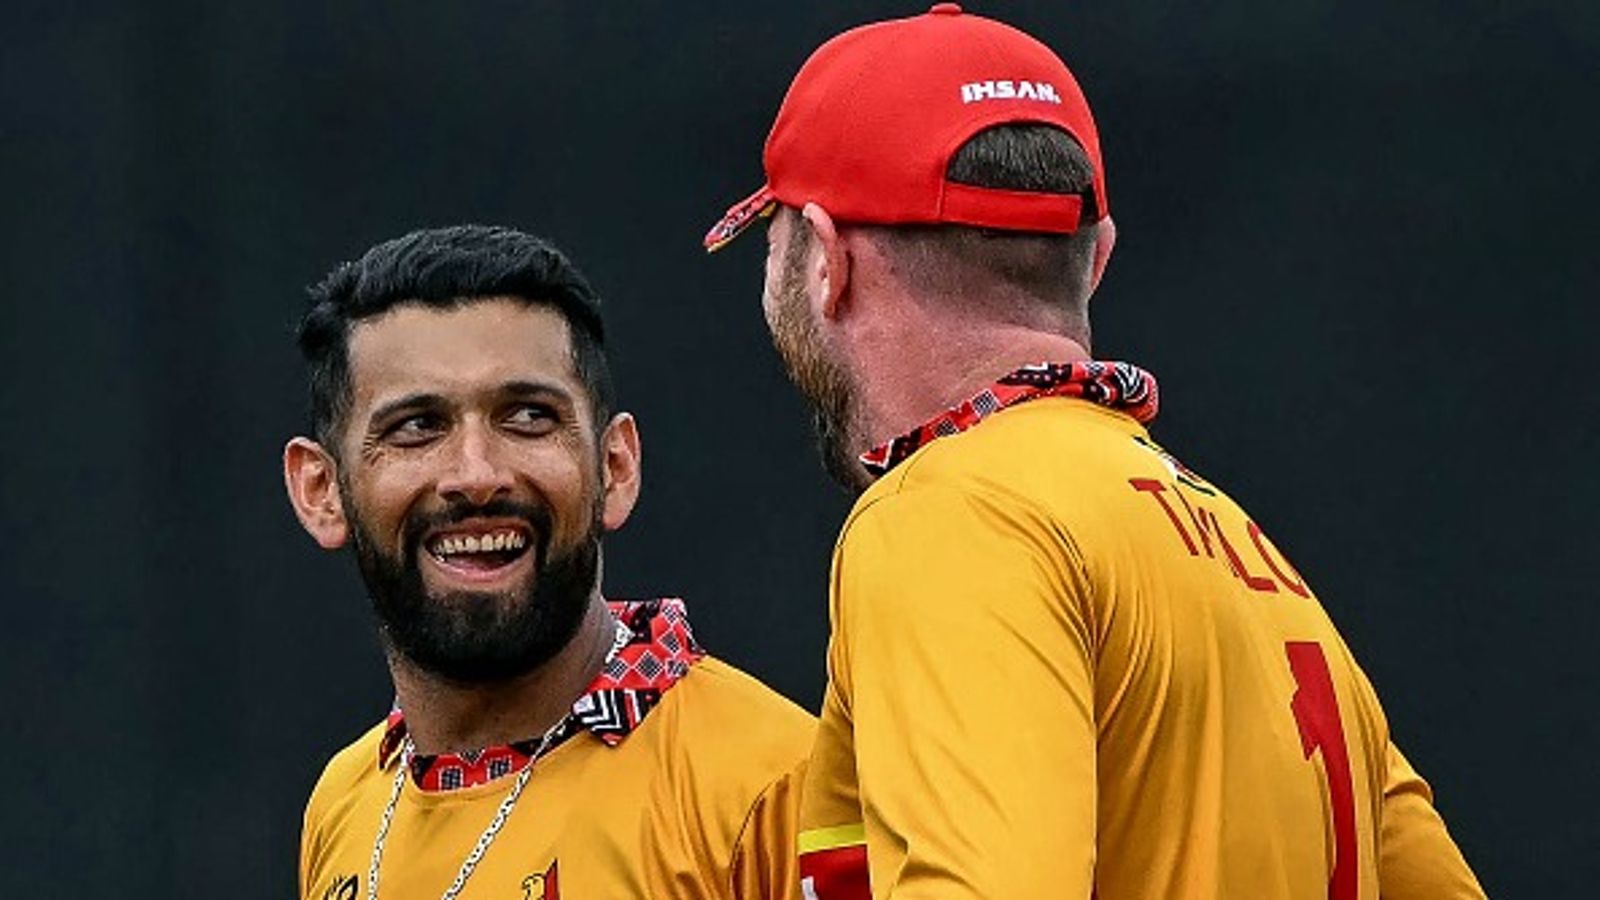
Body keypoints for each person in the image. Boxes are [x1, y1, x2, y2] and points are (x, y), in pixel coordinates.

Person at [704, 5, 1484, 899]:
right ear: (1098, 257)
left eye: (773, 242)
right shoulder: (1252, 562)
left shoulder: (954, 516)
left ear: (825, 261)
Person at [284, 224, 811, 900]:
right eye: (417, 426)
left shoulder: (768, 782)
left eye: (528, 416)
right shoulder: (345, 803)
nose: (475, 474)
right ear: (321, 491)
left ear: (615, 467)